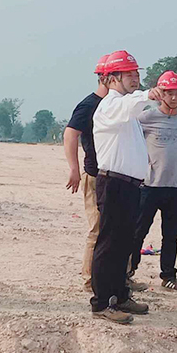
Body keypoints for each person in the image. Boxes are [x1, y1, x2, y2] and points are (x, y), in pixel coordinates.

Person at [90, 49, 164, 324]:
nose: (135, 78)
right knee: (109, 244)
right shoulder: (111, 106)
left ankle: (120, 295)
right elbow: (130, 104)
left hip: (130, 185)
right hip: (114, 184)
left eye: (136, 74)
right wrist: (147, 95)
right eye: (129, 74)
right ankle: (102, 302)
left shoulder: (127, 111)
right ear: (112, 78)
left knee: (124, 245)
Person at [130, 71, 177, 293]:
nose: (173, 98)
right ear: (160, 94)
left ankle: (168, 276)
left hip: (175, 185)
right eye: (169, 93)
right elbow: (133, 140)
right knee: (138, 232)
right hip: (149, 185)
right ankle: (128, 272)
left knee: (171, 235)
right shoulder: (146, 117)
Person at [63, 54, 109, 292]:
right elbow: (70, 134)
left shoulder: (119, 104)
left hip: (117, 176)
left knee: (118, 228)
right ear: (106, 77)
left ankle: (119, 276)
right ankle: (90, 279)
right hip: (94, 175)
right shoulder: (89, 105)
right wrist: (74, 168)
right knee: (97, 228)